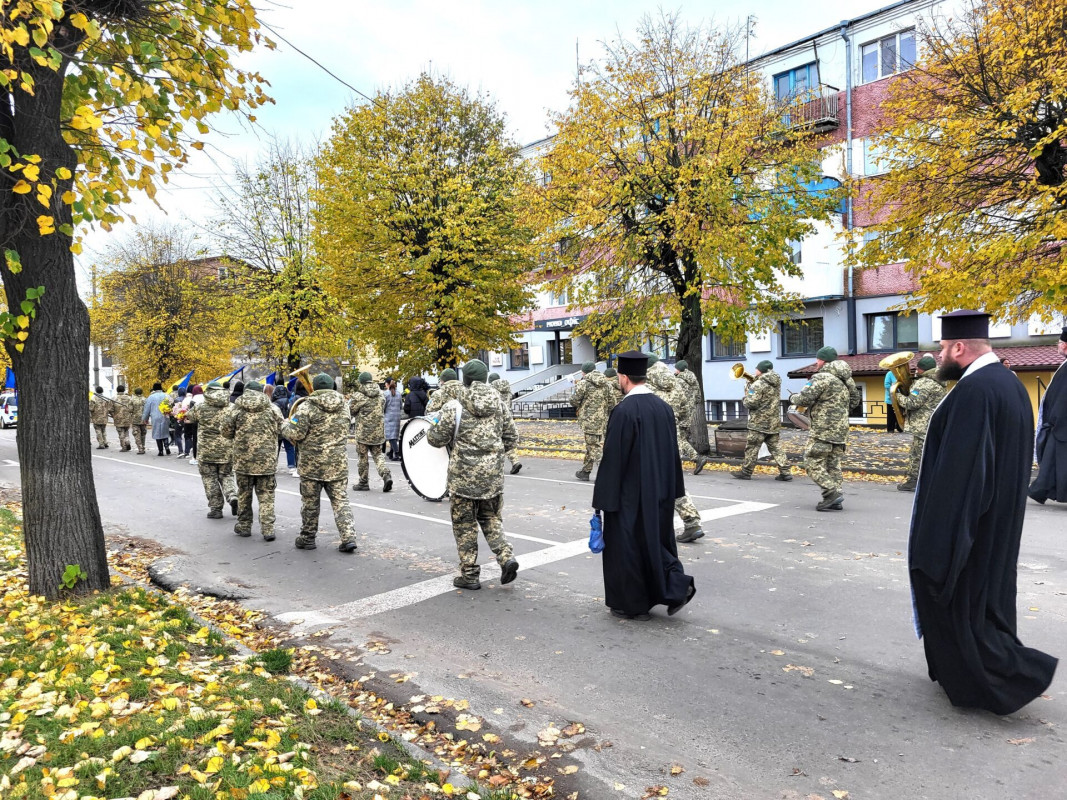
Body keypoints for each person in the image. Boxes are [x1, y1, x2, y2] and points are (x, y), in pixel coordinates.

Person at [909, 310, 1057, 714]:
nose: (938, 358)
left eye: (941, 349)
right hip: (999, 521)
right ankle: (969, 677)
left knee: (959, 599)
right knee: (986, 601)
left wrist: (940, 542)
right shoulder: (1007, 383)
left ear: (959, 347)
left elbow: (964, 471)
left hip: (973, 525)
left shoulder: (975, 391)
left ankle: (997, 679)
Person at [592, 350, 696, 620]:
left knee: (626, 548)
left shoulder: (624, 410)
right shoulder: (663, 407)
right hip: (660, 491)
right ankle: (676, 586)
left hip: (630, 495)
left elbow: (613, 459)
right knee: (656, 543)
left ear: (624, 377)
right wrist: (674, 489)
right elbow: (672, 452)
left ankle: (631, 604)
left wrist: (602, 501)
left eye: (618, 376)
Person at [427, 358, 519, 590]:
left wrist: (434, 425)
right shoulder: (499, 404)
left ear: (465, 380)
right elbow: (511, 438)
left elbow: (435, 439)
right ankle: (506, 556)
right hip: (492, 477)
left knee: (464, 525)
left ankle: (469, 575)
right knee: (490, 518)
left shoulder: (454, 406)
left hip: (462, 478)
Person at [282, 372, 359, 552]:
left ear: (314, 387)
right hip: (337, 463)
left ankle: (308, 538)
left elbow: (295, 434)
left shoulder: (306, 407)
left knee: (310, 502)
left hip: (311, 464)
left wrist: (285, 424)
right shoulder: (344, 406)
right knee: (341, 501)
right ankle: (348, 537)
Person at [788, 346, 860, 511]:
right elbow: (854, 402)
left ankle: (831, 492)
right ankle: (836, 499)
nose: (816, 362)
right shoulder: (846, 380)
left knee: (811, 461)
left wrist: (793, 397)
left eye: (818, 359)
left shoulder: (821, 377)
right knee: (833, 464)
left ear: (823, 360)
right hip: (840, 431)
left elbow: (804, 398)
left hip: (823, 430)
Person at [645, 355, 704, 543]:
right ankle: (691, 521)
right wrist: (681, 431)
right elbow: (685, 410)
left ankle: (649, 527)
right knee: (672, 480)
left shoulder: (646, 386)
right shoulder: (675, 383)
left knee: (648, 480)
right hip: (673, 434)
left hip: (652, 438)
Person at [220, 379, 283, 540]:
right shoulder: (273, 409)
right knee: (266, 496)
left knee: (244, 495)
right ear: (261, 392)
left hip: (243, 461)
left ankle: (244, 525)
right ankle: (268, 529)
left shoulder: (235, 409)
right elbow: (283, 429)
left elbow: (225, 432)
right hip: (266, 461)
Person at [185, 380, 239, 519]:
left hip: (206, 450)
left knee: (210, 479)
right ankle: (232, 496)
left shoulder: (200, 406)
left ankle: (216, 509)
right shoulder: (232, 407)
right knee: (227, 475)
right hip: (227, 448)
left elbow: (189, 418)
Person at [894, 355, 946, 492]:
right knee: (929, 454)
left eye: (917, 369)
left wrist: (896, 395)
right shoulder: (939, 381)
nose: (916, 371)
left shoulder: (924, 383)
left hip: (922, 426)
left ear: (921, 369)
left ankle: (912, 481)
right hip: (932, 424)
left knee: (916, 455)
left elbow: (912, 403)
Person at [734, 361, 791, 481]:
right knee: (775, 447)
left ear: (761, 370)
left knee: (752, 448)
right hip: (773, 422)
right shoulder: (776, 383)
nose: (755, 370)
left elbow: (751, 403)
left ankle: (746, 472)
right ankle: (785, 472)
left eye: (756, 368)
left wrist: (745, 398)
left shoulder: (758, 384)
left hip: (758, 422)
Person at [1029, 326, 1067, 504]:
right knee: (1053, 463)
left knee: (1055, 462)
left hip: (1061, 425)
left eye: (1060, 343)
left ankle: (1040, 490)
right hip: (1058, 425)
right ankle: (1040, 490)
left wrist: (1055, 420)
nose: (1058, 346)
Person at [570, 362, 616, 481]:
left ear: (584, 372)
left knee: (593, 446)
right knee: (592, 445)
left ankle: (607, 472)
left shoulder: (584, 383)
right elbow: (612, 403)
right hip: (603, 420)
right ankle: (585, 471)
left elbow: (574, 401)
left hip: (589, 421)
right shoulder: (607, 383)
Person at [349, 371, 393, 493]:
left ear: (361, 382)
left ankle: (363, 482)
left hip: (363, 432)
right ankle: (386, 474)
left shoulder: (358, 396)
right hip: (378, 431)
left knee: (362, 457)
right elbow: (383, 407)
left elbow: (351, 411)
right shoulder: (381, 394)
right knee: (378, 455)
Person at [672, 361, 708, 475]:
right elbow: (698, 398)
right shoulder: (693, 380)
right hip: (689, 414)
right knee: (682, 438)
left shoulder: (678, 381)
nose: (675, 371)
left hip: (680, 413)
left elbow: (675, 398)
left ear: (679, 370)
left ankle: (697, 458)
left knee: (679, 439)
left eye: (676, 369)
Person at [489, 372, 523, 474]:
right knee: (507, 441)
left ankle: (495, 466)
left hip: (496, 418)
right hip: (507, 417)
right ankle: (515, 461)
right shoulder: (508, 390)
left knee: (493, 441)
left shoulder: (491, 389)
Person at [272, 384, 297, 476]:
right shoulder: (290, 402)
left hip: (277, 429)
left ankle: (274, 466)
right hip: (287, 428)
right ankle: (292, 467)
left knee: (276, 448)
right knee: (290, 448)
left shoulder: (273, 404)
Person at [142, 382, 172, 456]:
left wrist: (145, 418)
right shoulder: (166, 396)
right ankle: (167, 447)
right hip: (165, 416)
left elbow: (147, 409)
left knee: (157, 433)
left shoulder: (151, 397)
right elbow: (171, 405)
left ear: (154, 389)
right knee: (165, 432)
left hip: (155, 417)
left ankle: (160, 451)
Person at [109, 385, 135, 452]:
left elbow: (110, 409)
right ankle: (127, 441)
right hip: (127, 418)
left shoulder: (113, 398)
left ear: (117, 390)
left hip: (118, 418)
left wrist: (113, 415)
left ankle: (124, 447)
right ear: (124, 390)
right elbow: (132, 408)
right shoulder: (129, 398)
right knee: (126, 431)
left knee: (121, 433)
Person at [383, 378, 403, 460]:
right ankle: (391, 453)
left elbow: (383, 406)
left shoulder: (386, 394)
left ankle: (397, 453)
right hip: (397, 416)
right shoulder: (398, 393)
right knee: (394, 435)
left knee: (391, 437)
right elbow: (401, 406)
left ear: (387, 384)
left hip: (388, 416)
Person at [185, 384, 204, 464]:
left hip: (196, 424)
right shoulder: (205, 398)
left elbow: (192, 414)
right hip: (205, 422)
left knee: (195, 440)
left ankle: (195, 457)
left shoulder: (193, 400)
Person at [130, 387, 148, 454]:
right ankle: (143, 446)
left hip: (135, 419)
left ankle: (140, 448)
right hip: (144, 419)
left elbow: (130, 410)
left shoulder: (132, 400)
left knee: (137, 434)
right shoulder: (145, 399)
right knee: (143, 433)